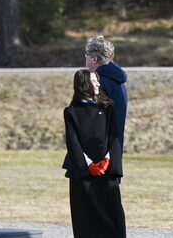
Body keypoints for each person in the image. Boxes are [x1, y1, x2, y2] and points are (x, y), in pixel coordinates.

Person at [63, 69, 126, 238]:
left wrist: (108, 161)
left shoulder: (107, 108)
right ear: (83, 84)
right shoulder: (71, 112)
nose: (98, 83)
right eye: (94, 80)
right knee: (86, 218)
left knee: (112, 216)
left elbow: (114, 137)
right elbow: (72, 142)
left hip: (107, 171)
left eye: (98, 80)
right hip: (84, 173)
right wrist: (88, 165)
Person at [84, 35, 128, 149]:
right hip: (112, 148)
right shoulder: (118, 81)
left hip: (97, 151)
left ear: (93, 59)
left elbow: (92, 119)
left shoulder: (99, 83)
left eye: (86, 56)